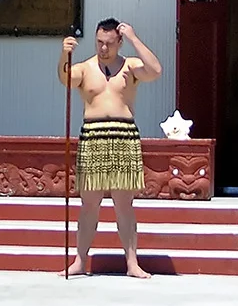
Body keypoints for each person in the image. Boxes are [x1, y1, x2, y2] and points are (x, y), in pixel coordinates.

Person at [59, 18, 161, 277]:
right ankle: (80, 260)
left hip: (123, 134)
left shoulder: (131, 66)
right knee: (89, 203)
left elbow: (156, 70)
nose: (103, 48)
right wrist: (64, 55)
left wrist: (135, 38)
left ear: (119, 42)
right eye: (99, 43)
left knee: (124, 203)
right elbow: (66, 79)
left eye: (109, 43)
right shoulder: (85, 68)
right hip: (93, 135)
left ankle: (131, 263)